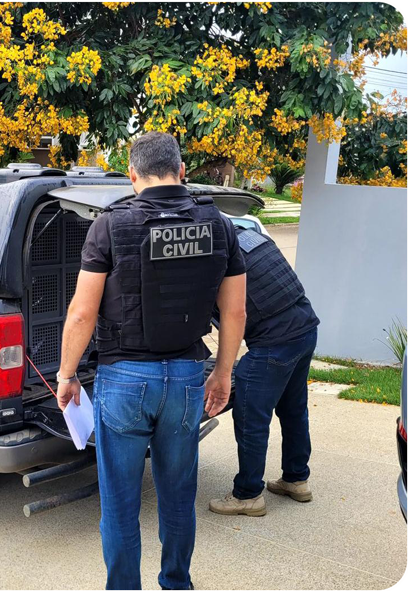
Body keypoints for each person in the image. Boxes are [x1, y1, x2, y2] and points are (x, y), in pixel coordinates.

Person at [55, 132, 247, 590]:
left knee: (120, 503)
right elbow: (235, 311)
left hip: (124, 380)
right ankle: (177, 583)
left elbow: (81, 313)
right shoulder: (218, 224)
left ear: (132, 175)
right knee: (178, 497)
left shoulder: (110, 225)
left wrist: (66, 374)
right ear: (181, 171)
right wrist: (223, 373)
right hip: (186, 378)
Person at [208, 225, 319, 517]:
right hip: (305, 327)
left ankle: (248, 495)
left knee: (250, 416)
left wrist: (222, 368)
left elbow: (233, 315)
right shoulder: (248, 234)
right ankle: (296, 479)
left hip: (275, 342)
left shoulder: (215, 254)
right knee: (293, 409)